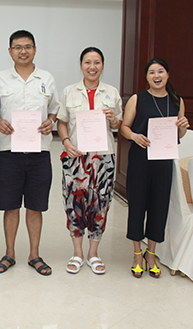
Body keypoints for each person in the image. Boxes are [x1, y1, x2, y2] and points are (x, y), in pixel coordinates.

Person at [0, 30, 59, 276]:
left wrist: (51, 121)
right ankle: (9, 253)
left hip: (39, 152)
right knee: (10, 206)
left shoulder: (46, 78)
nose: (23, 51)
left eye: (27, 46)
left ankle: (34, 254)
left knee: (35, 206)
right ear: (10, 51)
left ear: (35, 50)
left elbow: (54, 109)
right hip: (9, 151)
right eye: (17, 47)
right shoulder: (0, 79)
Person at [120, 58, 189, 278]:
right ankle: (137, 254)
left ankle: (151, 254)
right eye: (152, 72)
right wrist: (134, 136)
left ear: (167, 74)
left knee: (159, 206)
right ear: (147, 77)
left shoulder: (177, 101)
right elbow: (124, 127)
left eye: (160, 72)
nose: (156, 76)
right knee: (137, 205)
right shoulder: (137, 99)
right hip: (140, 158)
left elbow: (179, 134)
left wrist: (184, 127)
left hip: (164, 160)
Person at [57, 47, 122, 275]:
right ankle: (77, 253)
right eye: (87, 62)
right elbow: (62, 121)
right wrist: (66, 142)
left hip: (103, 158)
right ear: (81, 65)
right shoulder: (69, 92)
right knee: (73, 203)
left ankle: (93, 253)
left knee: (100, 204)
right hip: (76, 157)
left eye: (97, 62)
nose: (92, 67)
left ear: (102, 65)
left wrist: (113, 119)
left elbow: (118, 125)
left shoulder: (111, 92)